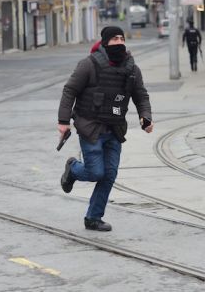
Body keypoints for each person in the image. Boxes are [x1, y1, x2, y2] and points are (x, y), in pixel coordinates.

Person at [58, 26, 153, 232]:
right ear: (105, 42)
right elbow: (70, 90)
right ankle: (73, 169)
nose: (119, 42)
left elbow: (141, 95)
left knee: (109, 174)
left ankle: (93, 217)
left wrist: (145, 117)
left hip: (115, 129)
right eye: (114, 39)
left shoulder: (131, 69)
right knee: (95, 172)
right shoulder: (89, 65)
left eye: (122, 38)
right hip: (90, 127)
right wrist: (63, 120)